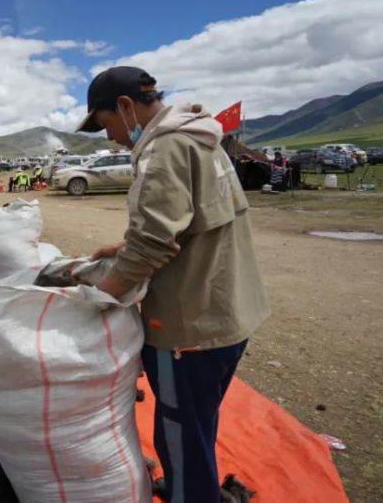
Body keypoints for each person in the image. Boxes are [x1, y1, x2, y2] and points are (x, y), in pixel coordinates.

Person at [76, 66, 269, 503]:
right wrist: (122, 245)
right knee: (197, 423)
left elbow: (155, 240)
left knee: (178, 432)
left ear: (125, 107)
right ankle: (192, 485)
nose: (109, 138)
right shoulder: (200, 137)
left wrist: (101, 298)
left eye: (106, 124)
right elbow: (189, 218)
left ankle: (190, 492)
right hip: (228, 315)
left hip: (189, 325)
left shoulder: (162, 149)